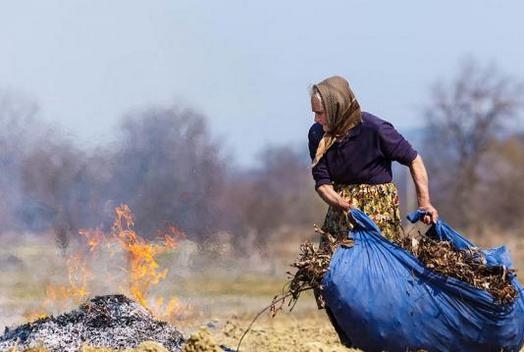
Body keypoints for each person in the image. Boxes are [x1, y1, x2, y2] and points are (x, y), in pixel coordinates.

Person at [308, 75, 438, 347]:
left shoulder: (374, 129)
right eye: (314, 112)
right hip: (341, 208)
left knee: (381, 279)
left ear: (336, 107)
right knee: (324, 275)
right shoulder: (317, 135)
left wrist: (424, 202)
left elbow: (413, 160)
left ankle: (394, 337)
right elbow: (322, 183)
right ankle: (357, 336)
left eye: (320, 113)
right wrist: (340, 203)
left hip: (377, 209)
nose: (316, 118)